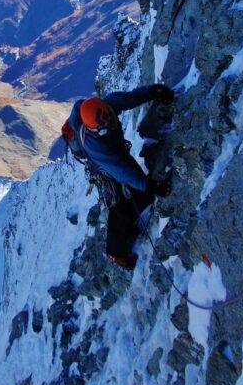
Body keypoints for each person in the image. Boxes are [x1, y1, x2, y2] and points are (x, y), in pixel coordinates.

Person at [63, 84, 173, 270]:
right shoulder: (91, 143)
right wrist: (149, 185)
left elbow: (129, 98)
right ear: (92, 130)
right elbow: (118, 170)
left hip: (117, 152)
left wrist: (153, 91)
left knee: (141, 190)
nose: (108, 127)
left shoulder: (107, 107)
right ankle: (116, 252)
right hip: (103, 166)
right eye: (103, 129)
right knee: (119, 204)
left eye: (108, 122)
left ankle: (134, 218)